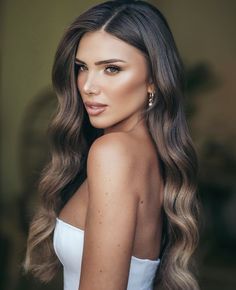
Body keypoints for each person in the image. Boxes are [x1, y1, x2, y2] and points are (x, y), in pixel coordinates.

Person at [24, 1, 200, 290]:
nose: (88, 86)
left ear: (153, 79)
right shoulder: (146, 154)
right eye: (82, 67)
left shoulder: (113, 153)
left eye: (112, 69)